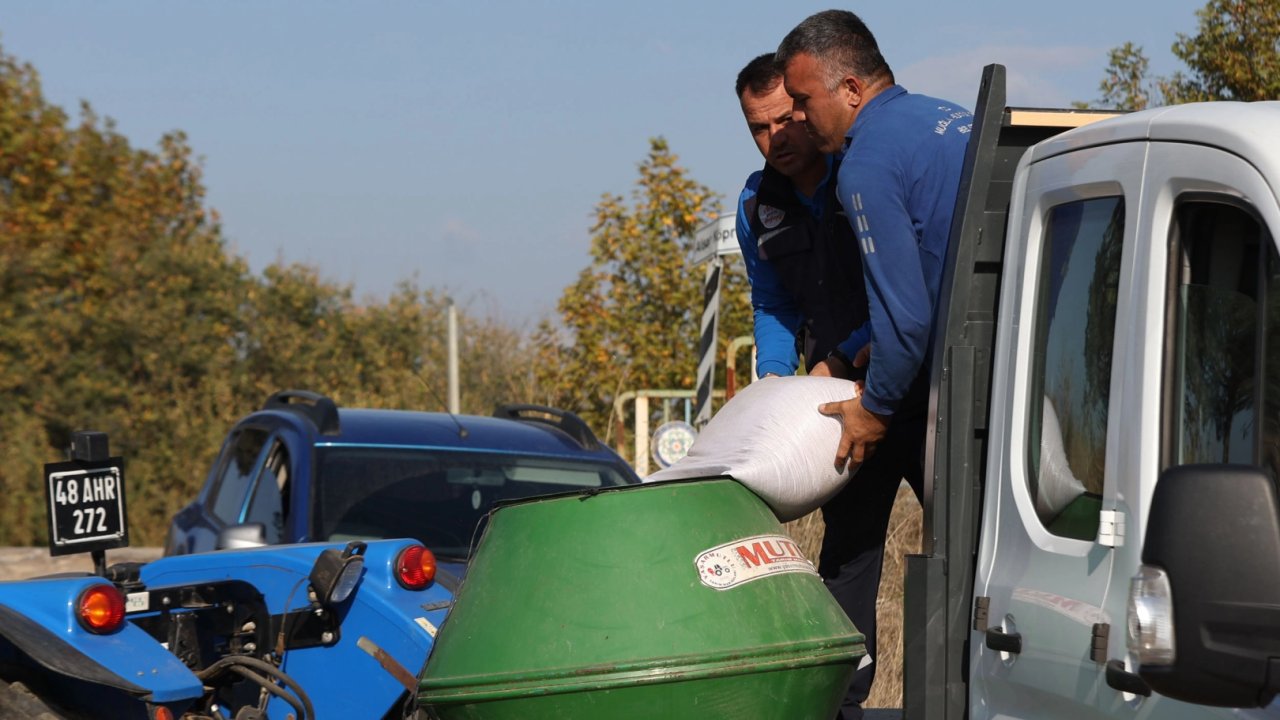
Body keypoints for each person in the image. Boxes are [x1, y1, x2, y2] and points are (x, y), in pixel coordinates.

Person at [775, 10, 972, 719]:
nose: (797, 117)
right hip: (985, 382)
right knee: (973, 551)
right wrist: (854, 341)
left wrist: (873, 408)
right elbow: (935, 275)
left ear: (850, 88)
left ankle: (841, 703)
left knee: (853, 552)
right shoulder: (953, 121)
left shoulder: (863, 161)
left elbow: (911, 317)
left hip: (916, 390)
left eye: (801, 101)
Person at [733, 52, 868, 377]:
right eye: (759, 128)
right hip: (824, 385)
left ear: (806, 108)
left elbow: (904, 295)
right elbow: (773, 304)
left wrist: (838, 362)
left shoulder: (864, 171)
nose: (776, 138)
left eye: (785, 120)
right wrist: (772, 379)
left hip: (901, 375)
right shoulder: (754, 204)